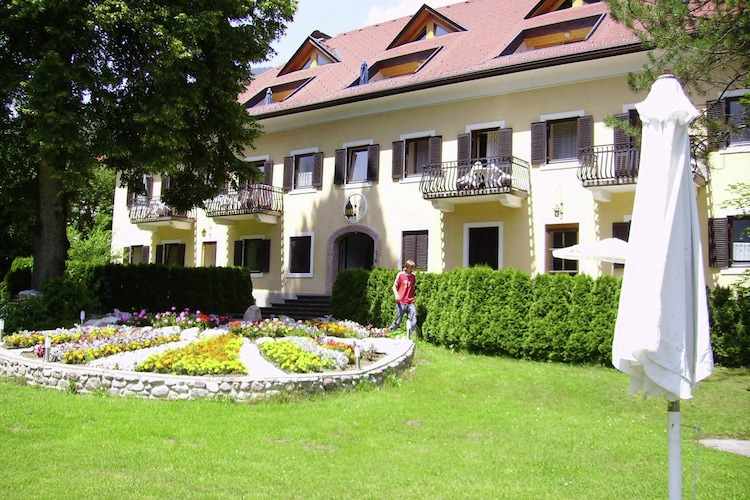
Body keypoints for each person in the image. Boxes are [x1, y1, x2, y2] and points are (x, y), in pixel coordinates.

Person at [390, 260, 417, 338]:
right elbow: (394, 286)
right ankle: (389, 332)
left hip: (410, 301)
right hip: (401, 302)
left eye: (413, 268)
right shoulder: (400, 275)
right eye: (410, 268)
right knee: (398, 321)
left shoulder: (413, 276)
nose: (412, 270)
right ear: (406, 267)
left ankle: (412, 337)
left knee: (413, 319)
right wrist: (396, 295)